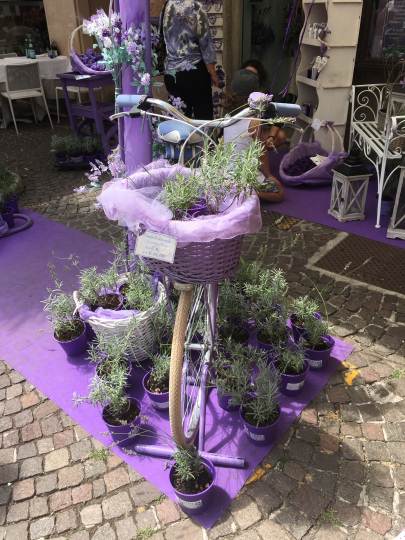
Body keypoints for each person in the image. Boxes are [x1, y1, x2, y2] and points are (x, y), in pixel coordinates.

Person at [224, 60, 286, 202]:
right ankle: (248, 192)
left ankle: (237, 189)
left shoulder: (227, 115)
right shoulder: (254, 121)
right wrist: (269, 175)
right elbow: (260, 154)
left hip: (228, 170)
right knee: (279, 193)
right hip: (245, 174)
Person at [161, 0, 219, 120]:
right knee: (203, 119)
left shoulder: (166, 6)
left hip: (172, 73)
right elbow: (205, 42)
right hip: (194, 71)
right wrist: (213, 73)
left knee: (178, 119)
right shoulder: (196, 6)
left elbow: (162, 38)